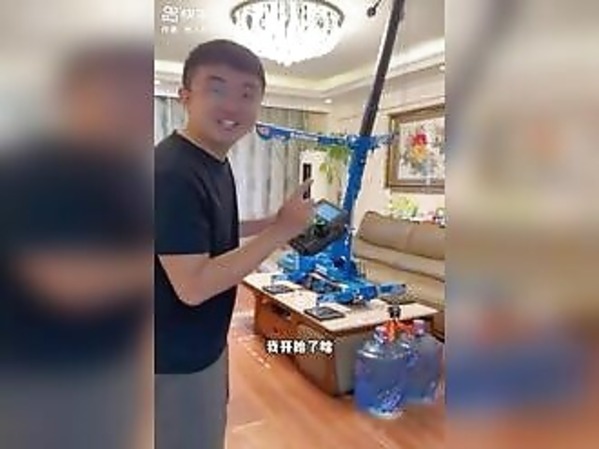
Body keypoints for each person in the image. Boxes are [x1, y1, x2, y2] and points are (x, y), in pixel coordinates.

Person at [155, 39, 314, 449]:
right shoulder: (172, 173)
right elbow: (193, 286)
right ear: (185, 97)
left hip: (202, 342)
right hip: (174, 358)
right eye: (217, 88)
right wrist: (278, 233)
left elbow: (207, 231)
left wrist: (274, 222)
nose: (232, 106)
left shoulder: (211, 161)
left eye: (247, 94)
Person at [0, 43, 153, 449]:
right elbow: (64, 281)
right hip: (43, 378)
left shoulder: (119, 174)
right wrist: (170, 264)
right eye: (119, 94)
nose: (134, 111)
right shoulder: (34, 170)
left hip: (105, 368)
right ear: (71, 97)